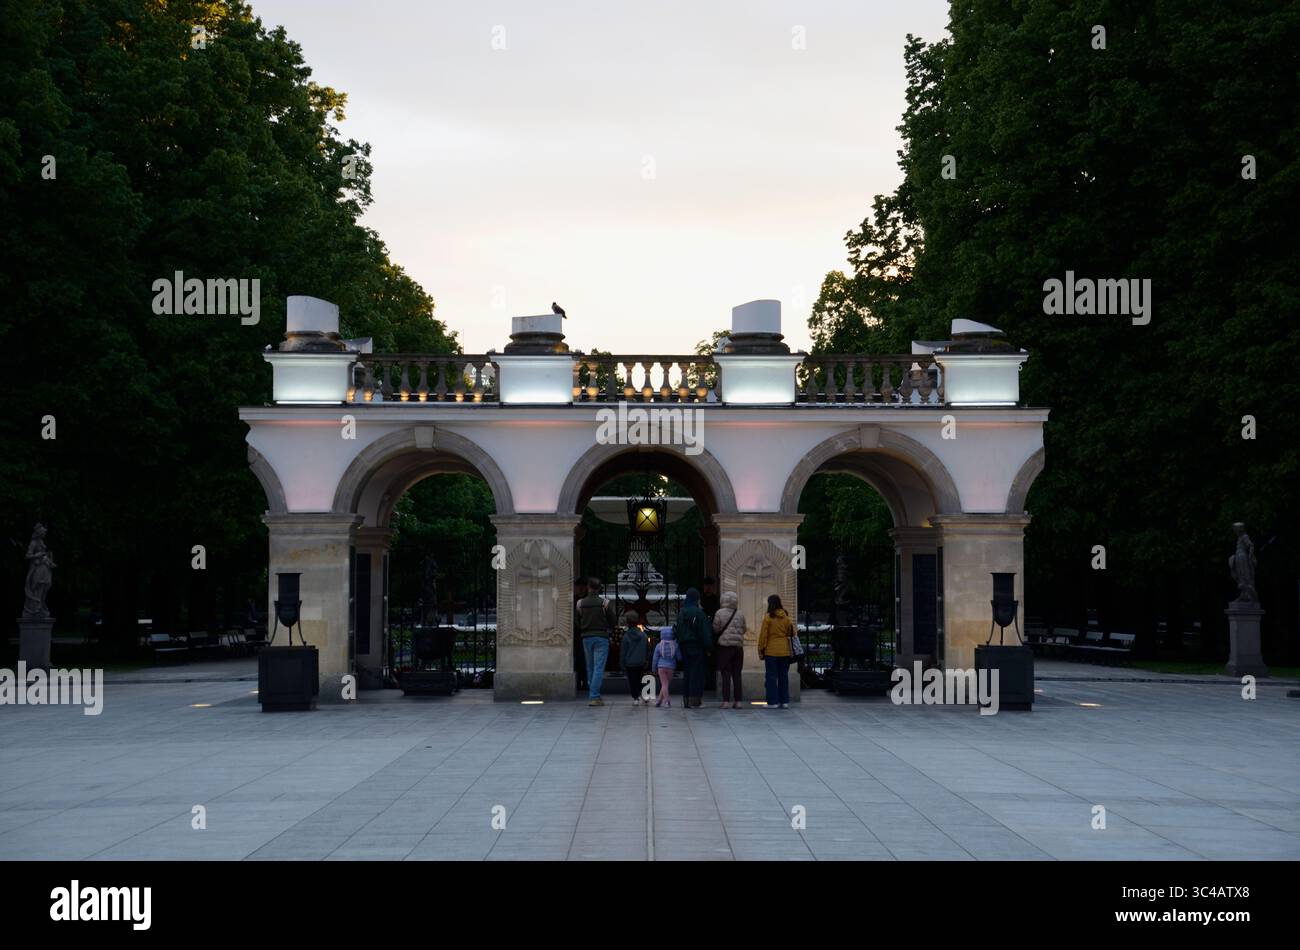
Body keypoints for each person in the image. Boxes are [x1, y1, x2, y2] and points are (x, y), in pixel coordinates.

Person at [576, 577, 616, 706]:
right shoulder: (604, 603)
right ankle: (594, 696)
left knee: (590, 667)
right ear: (599, 588)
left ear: (588, 587)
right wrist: (607, 628)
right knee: (599, 667)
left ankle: (592, 694)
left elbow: (576, 620)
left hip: (586, 637)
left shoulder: (580, 603)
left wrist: (583, 627)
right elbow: (613, 621)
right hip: (601, 636)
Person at [675, 588, 712, 708]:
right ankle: (695, 700)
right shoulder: (699, 613)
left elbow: (678, 630)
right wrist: (709, 647)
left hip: (684, 646)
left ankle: (686, 699)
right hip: (696, 646)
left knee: (687, 672)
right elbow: (705, 632)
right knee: (697, 673)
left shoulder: (681, 612)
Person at [757, 594, 795, 709]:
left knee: (771, 677)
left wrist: (760, 650)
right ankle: (784, 701)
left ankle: (773, 702)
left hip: (771, 651)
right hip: (785, 651)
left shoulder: (768, 618)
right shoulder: (787, 617)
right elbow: (793, 633)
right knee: (783, 676)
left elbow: (763, 636)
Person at [712, 591, 745, 708]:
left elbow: (716, 629)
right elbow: (744, 629)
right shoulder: (740, 614)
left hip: (725, 647)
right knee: (737, 674)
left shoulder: (719, 613)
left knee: (726, 674)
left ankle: (726, 701)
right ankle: (738, 701)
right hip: (738, 647)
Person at [620, 611, 650, 705]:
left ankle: (635, 698)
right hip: (641, 662)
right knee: (641, 679)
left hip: (629, 663)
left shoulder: (626, 637)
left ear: (628, 623)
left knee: (632, 681)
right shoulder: (644, 636)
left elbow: (623, 652)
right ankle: (644, 695)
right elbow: (647, 649)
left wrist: (622, 664)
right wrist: (646, 660)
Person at [651, 626, 679, 707]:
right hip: (671, 668)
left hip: (661, 667)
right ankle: (661, 701)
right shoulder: (675, 645)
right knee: (665, 685)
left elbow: (655, 659)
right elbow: (679, 657)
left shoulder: (658, 646)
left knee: (664, 685)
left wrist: (654, 669)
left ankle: (664, 701)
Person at [572, 578, 590, 690]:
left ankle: (584, 681)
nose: (580, 589)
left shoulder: (588, 600)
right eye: (579, 587)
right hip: (577, 634)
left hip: (586, 632)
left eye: (583, 586)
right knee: (578, 659)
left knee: (586, 659)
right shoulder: (573, 600)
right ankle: (579, 681)